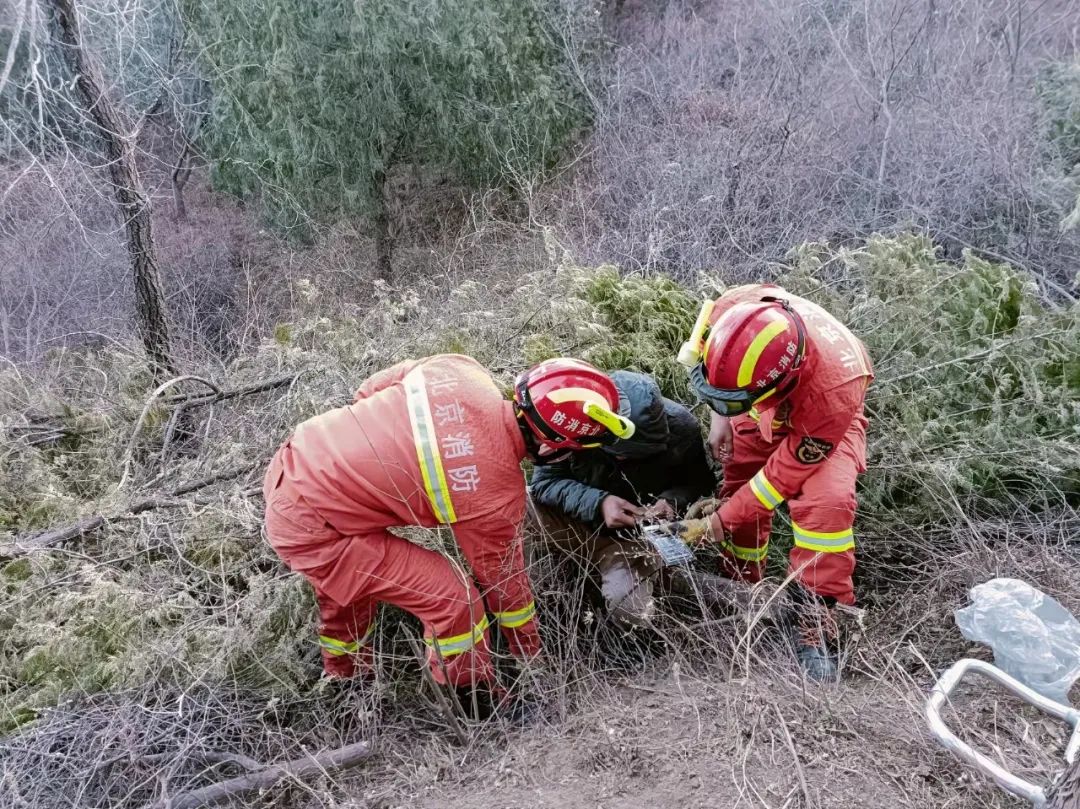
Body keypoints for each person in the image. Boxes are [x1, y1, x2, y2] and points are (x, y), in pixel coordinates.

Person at [262, 354, 636, 719]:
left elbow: (369, 390)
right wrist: (530, 655)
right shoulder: (495, 493)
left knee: (352, 585)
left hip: (296, 461)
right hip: (313, 530)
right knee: (455, 601)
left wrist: (371, 466)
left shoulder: (459, 369)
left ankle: (344, 681)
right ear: (552, 447)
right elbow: (505, 588)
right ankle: (476, 701)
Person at [671, 284, 873, 680]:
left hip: (822, 417)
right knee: (737, 485)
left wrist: (717, 523)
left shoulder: (834, 393)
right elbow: (707, 353)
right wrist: (721, 415)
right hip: (756, 402)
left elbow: (776, 482)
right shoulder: (737, 311)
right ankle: (740, 592)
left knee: (826, 506)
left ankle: (815, 623)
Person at [529, 370, 715, 626]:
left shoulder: (682, 430)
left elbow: (698, 483)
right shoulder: (577, 421)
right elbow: (543, 483)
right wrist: (599, 502)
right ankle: (536, 593)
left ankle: (644, 583)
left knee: (633, 610)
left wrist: (670, 501)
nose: (620, 459)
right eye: (614, 450)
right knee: (516, 508)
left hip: (631, 540)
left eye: (631, 454)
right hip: (573, 522)